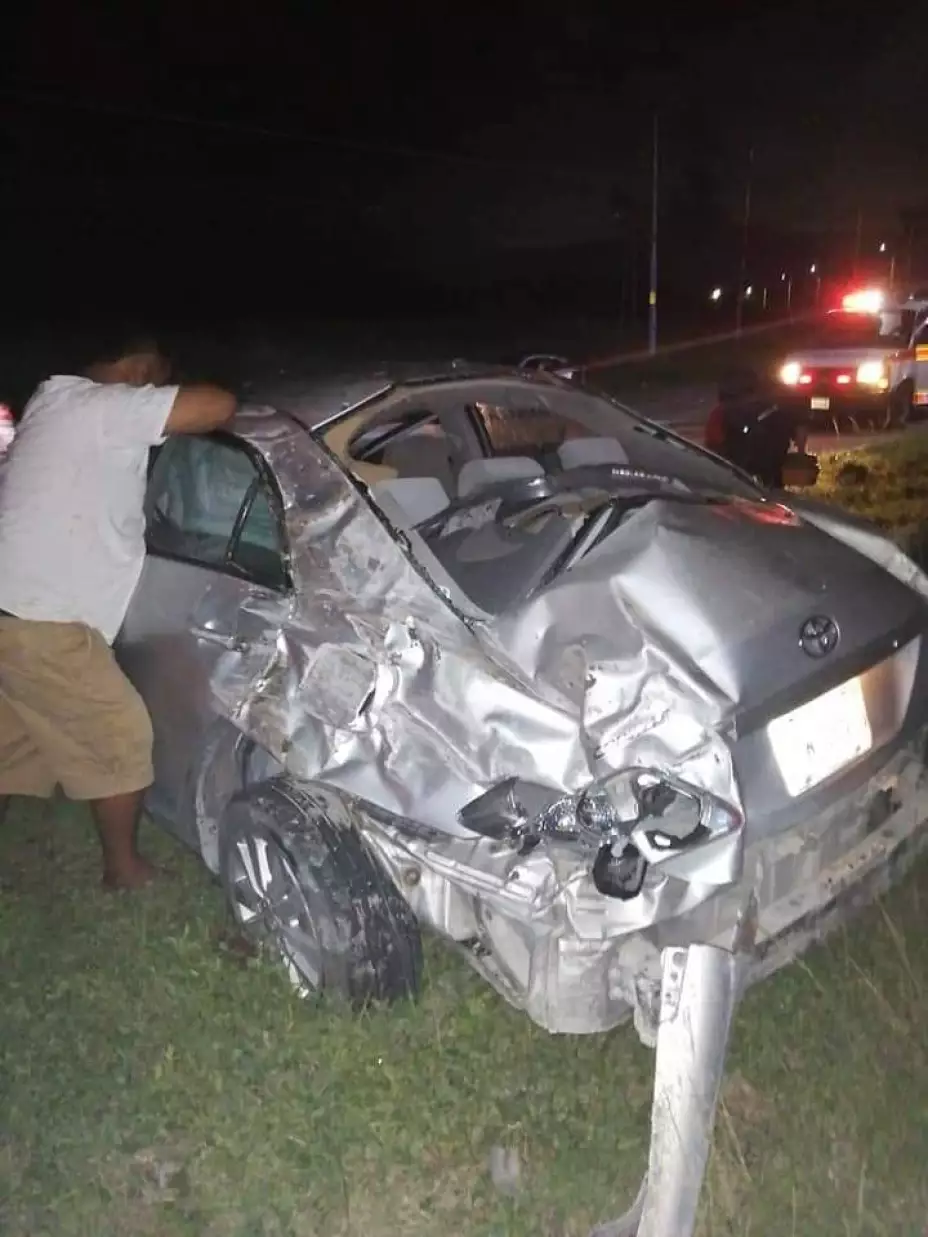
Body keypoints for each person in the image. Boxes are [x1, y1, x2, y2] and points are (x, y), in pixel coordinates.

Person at [0, 326, 237, 889]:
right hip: (44, 622)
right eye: (159, 375)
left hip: (17, 610)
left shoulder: (55, 404)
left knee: (12, 746)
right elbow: (219, 406)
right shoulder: (98, 408)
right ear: (140, 368)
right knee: (119, 737)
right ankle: (124, 872)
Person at [704, 368, 810, 489]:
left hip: (738, 464)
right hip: (771, 462)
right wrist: (800, 455)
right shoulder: (779, 408)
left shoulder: (724, 411)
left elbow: (713, 441)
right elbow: (800, 432)